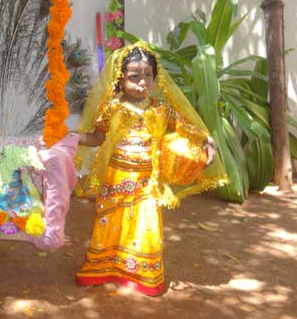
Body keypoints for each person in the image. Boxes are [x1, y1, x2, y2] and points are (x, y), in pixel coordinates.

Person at [73, 41, 226, 296]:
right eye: (134, 76)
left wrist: (205, 140)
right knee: (110, 224)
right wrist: (72, 137)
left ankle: (143, 275)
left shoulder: (161, 109)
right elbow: (98, 138)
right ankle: (104, 268)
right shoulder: (111, 108)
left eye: (148, 75)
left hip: (146, 182)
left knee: (146, 226)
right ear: (120, 79)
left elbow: (186, 127)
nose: (142, 82)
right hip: (115, 180)